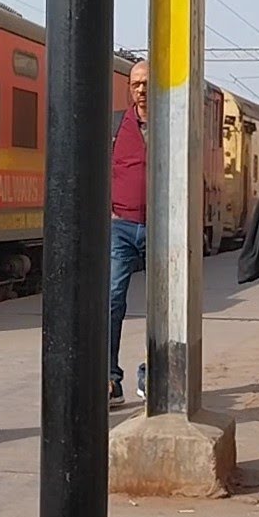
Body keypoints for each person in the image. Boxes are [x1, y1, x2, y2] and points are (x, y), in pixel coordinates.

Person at [109, 60, 149, 406]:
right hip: (120, 224)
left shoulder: (172, 121)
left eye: (148, 83)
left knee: (162, 305)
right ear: (129, 88)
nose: (142, 90)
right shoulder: (115, 124)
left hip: (160, 226)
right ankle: (110, 379)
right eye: (136, 84)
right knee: (111, 298)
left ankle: (154, 374)